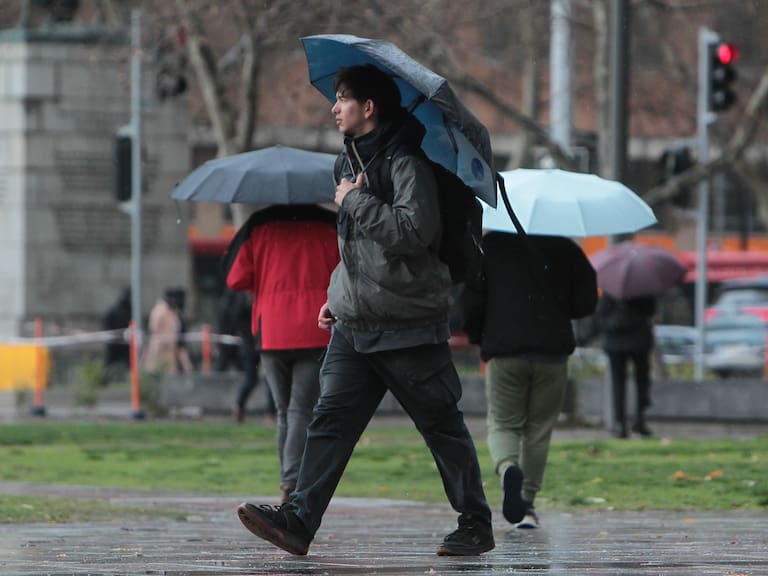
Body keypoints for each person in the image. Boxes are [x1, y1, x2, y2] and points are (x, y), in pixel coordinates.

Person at [235, 64, 494, 557]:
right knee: (328, 420)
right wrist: (337, 295)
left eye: (343, 99)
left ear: (368, 108)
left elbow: (412, 234)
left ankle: (475, 523)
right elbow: (355, 250)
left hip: (408, 326)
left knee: (441, 427)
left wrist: (355, 201)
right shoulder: (347, 164)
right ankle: (297, 522)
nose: (334, 108)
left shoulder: (406, 164)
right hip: (356, 325)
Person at [462, 232, 597, 530]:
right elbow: (586, 301)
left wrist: (476, 333)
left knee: (503, 422)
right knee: (538, 429)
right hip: (552, 351)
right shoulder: (564, 248)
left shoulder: (492, 245)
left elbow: (471, 296)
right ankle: (526, 505)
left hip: (504, 349)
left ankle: (508, 467)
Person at [227, 204, 339, 504]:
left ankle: (287, 477)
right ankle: (292, 482)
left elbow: (236, 279)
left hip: (272, 329)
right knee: (300, 409)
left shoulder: (260, 226)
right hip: (314, 329)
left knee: (283, 411)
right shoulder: (329, 225)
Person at [595, 293, 657, 438]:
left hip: (616, 343)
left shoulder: (610, 293)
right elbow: (651, 311)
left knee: (618, 385)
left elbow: (600, 316)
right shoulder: (643, 291)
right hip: (638, 342)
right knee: (641, 381)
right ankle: (639, 420)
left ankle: (620, 424)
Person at [215, 288, 276, 423]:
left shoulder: (256, 303)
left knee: (268, 380)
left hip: (261, 345)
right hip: (252, 346)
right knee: (253, 379)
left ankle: (270, 412)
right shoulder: (242, 305)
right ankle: (240, 407)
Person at [144, 288, 193, 374]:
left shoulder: (174, 311)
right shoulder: (160, 310)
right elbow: (154, 327)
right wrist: (164, 338)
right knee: (156, 369)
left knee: (172, 370)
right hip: (161, 346)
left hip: (171, 347)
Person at [101, 287, 131, 382]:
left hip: (123, 343)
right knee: (109, 363)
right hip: (116, 343)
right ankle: (102, 380)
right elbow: (107, 323)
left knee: (130, 363)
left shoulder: (127, 308)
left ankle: (134, 382)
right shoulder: (117, 310)